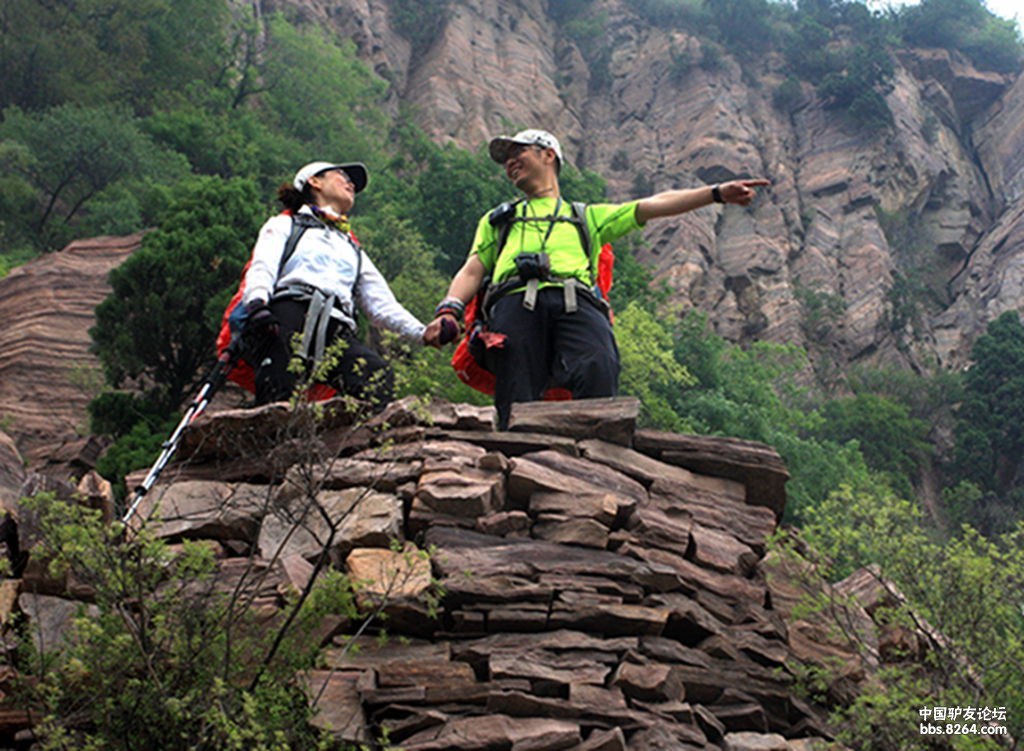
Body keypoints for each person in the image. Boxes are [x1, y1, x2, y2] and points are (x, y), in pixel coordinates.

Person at [423, 129, 769, 428]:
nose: (510, 162)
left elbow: (653, 204)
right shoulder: (499, 220)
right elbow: (473, 269)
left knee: (598, 365)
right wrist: (448, 310)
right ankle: (517, 461)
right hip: (512, 302)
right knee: (516, 386)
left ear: (548, 155)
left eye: (518, 152)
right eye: (506, 158)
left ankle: (597, 456)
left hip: (577, 301)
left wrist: (715, 193)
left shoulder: (586, 216)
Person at [240, 160, 428, 407]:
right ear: (314, 182)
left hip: (337, 325)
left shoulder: (352, 247)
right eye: (341, 175)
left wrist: (423, 333)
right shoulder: (286, 224)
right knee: (278, 393)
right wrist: (257, 303)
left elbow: (381, 305)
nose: (350, 183)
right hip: (288, 313)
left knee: (377, 376)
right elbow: (263, 266)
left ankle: (358, 443)